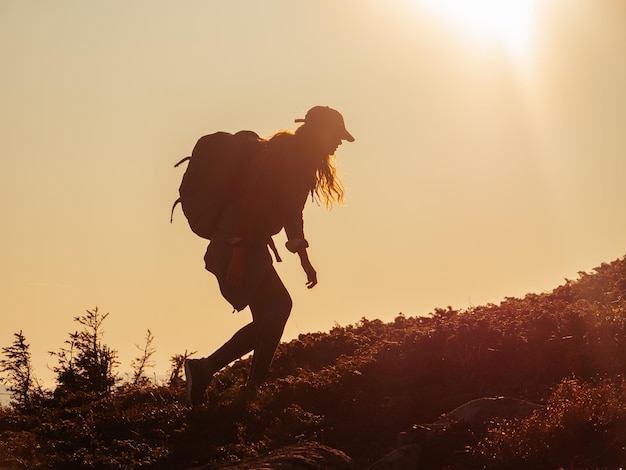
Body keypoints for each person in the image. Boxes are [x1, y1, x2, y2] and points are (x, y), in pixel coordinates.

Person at [184, 106, 354, 407]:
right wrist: (237, 256)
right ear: (317, 131)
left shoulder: (301, 162)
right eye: (336, 135)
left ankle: (246, 386)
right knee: (278, 308)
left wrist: (304, 260)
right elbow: (249, 203)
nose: (339, 143)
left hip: (249, 243)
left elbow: (292, 213)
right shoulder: (282, 157)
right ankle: (209, 370)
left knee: (273, 313)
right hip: (237, 242)